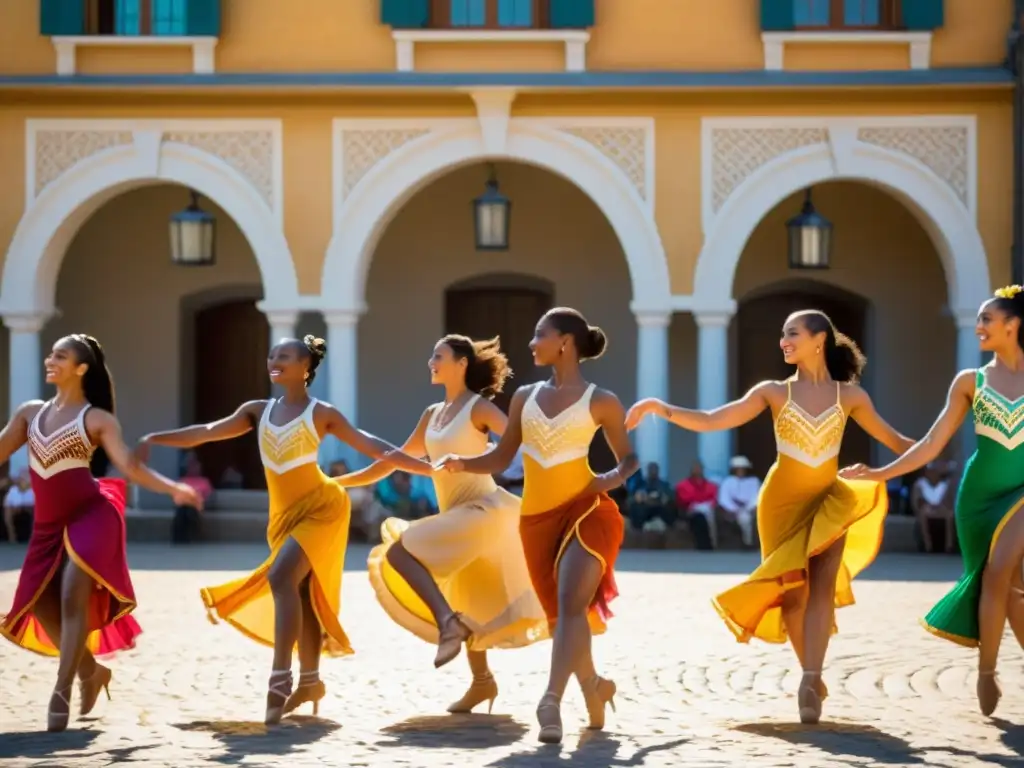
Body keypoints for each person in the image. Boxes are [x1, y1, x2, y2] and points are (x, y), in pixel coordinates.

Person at [626, 310, 913, 724]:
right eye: (782, 334)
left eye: (792, 333)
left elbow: (897, 441)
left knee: (820, 591)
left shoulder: (850, 397)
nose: (783, 341)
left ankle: (810, 679)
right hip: (779, 504)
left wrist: (945, 440)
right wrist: (659, 406)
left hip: (830, 500)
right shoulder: (773, 392)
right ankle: (810, 672)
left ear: (820, 340)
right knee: (793, 595)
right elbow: (713, 420)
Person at [134, 335, 428, 725]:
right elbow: (206, 431)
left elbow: (375, 446)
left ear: (306, 368)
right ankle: (311, 680)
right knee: (302, 595)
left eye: (285, 356)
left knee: (280, 576)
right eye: (272, 354)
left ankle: (279, 677)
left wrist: (426, 467)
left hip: (323, 508)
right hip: (283, 516)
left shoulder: (322, 413)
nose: (275, 360)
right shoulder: (258, 410)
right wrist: (155, 438)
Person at [438, 308, 638, 744]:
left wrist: (605, 481)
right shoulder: (524, 397)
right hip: (536, 522)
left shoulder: (601, 400)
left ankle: (550, 702)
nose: (531, 343)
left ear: (565, 342)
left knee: (569, 604)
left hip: (587, 513)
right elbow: (501, 457)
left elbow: (630, 459)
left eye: (539, 335)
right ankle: (595, 687)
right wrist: (463, 463)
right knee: (565, 617)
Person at [0, 334, 202, 732]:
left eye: (61, 356)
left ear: (81, 368)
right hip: (47, 525)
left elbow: (129, 466)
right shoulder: (29, 413)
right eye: (51, 354)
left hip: (92, 514)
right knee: (39, 605)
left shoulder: (97, 419)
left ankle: (61, 690)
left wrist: (173, 488)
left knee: (74, 593)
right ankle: (92, 672)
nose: (50, 360)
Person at [337, 334, 547, 714]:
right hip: (456, 515)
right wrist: (344, 482)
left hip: (484, 509)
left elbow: (518, 440)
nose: (430, 361)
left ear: (462, 363)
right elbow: (393, 458)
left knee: (399, 553)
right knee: (470, 596)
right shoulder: (432, 414)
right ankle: (482, 682)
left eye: (438, 355)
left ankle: (447, 624)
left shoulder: (479, 408)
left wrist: (541, 476)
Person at [840, 285, 1024, 717]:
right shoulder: (969, 382)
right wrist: (882, 472)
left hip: (1021, 495)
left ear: (1013, 326)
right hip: (978, 498)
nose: (978, 327)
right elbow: (931, 444)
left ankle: (987, 669)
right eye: (979, 319)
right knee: (1008, 588)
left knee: (1000, 572)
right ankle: (987, 671)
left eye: (987, 320)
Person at [717, 455, 761, 549]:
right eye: (738, 469)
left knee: (746, 518)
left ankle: (748, 543)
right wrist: (733, 509)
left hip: (749, 509)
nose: (741, 471)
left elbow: (756, 497)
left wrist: (750, 507)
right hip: (732, 510)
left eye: (742, 469)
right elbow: (723, 499)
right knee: (742, 518)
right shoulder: (727, 482)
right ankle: (746, 543)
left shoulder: (754, 481)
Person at [910, 462, 955, 553]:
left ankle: (949, 546)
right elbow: (917, 501)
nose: (933, 474)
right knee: (923, 515)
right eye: (930, 472)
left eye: (935, 472)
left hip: (941, 508)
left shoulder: (944, 485)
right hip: (927, 508)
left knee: (950, 515)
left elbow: (948, 500)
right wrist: (926, 505)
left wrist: (941, 506)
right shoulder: (920, 484)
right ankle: (928, 546)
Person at [172, 451, 214, 544]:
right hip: (184, 503)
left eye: (195, 465)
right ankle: (178, 538)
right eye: (190, 465)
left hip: (197, 505)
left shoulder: (204, 481)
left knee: (190, 511)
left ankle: (188, 537)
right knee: (182, 511)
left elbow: (209, 497)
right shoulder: (182, 481)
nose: (193, 468)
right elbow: (175, 495)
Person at [675, 460, 718, 550]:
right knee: (700, 517)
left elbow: (713, 499)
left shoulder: (710, 485)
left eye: (699, 469)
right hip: (689, 511)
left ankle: (711, 543)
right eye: (695, 469)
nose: (697, 471)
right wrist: (698, 502)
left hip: (706, 509)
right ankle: (708, 545)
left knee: (707, 514)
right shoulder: (683, 485)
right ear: (691, 471)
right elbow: (683, 500)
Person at [625, 462, 675, 532]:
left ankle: (664, 526)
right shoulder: (640, 484)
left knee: (669, 507)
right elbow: (630, 499)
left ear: (658, 471)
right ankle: (640, 529)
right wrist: (637, 498)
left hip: (660, 508)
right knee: (636, 508)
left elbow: (671, 496)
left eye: (655, 469)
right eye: (651, 469)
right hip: (645, 508)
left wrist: (665, 498)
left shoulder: (664, 485)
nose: (653, 471)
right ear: (647, 470)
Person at [4, 468, 35, 543]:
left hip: (30, 510)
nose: (23, 480)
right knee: (7, 512)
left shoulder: (34, 490)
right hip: (15, 510)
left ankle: (34, 537)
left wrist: (26, 508)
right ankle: (12, 537)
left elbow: (37, 504)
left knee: (36, 511)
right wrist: (15, 508)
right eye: (21, 478)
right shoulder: (13, 490)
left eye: (25, 478)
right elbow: (7, 504)